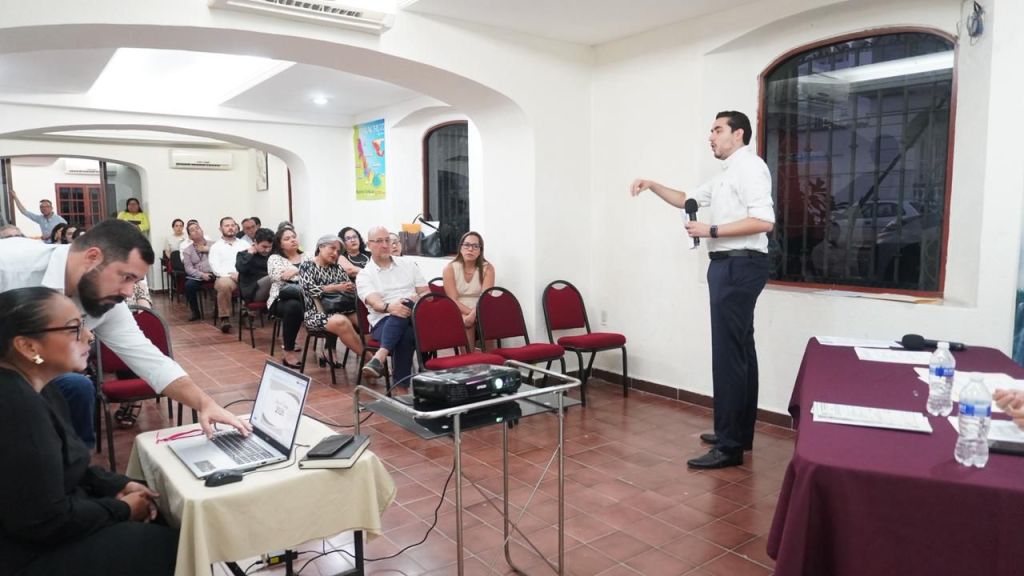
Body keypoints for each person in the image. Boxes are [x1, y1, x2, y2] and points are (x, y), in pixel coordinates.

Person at [0, 219, 250, 441]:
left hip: (35, 379)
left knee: (72, 397)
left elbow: (149, 360)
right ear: (92, 257)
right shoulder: (8, 267)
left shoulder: (107, 300)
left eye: (135, 281)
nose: (129, 292)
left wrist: (205, 403)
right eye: (126, 277)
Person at [630, 110, 774, 470]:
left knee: (728, 356)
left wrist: (710, 231)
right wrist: (652, 185)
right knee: (740, 351)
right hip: (731, 265)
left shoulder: (750, 168)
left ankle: (729, 446)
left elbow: (763, 221)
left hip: (738, 266)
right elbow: (685, 199)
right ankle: (738, 433)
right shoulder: (726, 175)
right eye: (711, 130)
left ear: (738, 134)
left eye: (717, 129)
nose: (711, 136)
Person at [0, 287, 179, 576]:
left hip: (52, 523)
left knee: (161, 508)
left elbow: (70, 467)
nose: (89, 336)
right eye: (74, 329)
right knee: (172, 546)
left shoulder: (43, 387)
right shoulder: (16, 409)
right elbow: (45, 521)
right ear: (29, 347)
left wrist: (115, 484)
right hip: (27, 553)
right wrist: (122, 509)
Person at [356, 226, 428, 386]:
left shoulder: (409, 265)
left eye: (387, 240)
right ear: (369, 245)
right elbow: (375, 303)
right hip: (383, 322)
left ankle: (380, 356)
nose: (385, 245)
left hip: (416, 317)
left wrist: (415, 299)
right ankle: (405, 387)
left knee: (407, 303)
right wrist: (391, 307)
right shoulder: (365, 274)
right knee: (405, 335)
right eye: (379, 241)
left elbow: (426, 293)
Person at [298, 235, 363, 368]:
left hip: (342, 309)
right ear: (321, 247)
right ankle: (370, 361)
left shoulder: (337, 268)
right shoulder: (307, 266)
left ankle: (375, 358)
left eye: (338, 251)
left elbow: (346, 288)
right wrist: (335, 288)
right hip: (316, 313)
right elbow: (309, 289)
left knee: (365, 320)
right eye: (332, 248)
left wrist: (351, 287)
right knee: (341, 321)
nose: (335, 253)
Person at [442, 231, 495, 349]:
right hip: (457, 308)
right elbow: (452, 299)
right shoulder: (449, 268)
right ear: (460, 248)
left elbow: (485, 297)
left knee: (487, 320)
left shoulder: (488, 268)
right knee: (467, 323)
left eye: (475, 246)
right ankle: (468, 358)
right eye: (467, 245)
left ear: (480, 250)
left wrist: (475, 314)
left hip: (481, 307)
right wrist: (471, 315)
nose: (470, 249)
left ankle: (490, 358)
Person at [268, 227, 310, 368]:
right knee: (293, 306)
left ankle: (329, 350)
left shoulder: (307, 256)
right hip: (280, 299)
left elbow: (317, 273)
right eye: (287, 239)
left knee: (330, 303)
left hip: (308, 296)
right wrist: (303, 272)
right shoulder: (275, 258)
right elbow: (278, 276)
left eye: (294, 236)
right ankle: (289, 351)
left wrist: (296, 270)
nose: (292, 240)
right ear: (280, 244)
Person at [208, 217, 249, 333]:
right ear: (220, 229)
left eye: (232, 225)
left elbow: (250, 262)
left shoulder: (244, 244)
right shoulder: (216, 247)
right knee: (224, 285)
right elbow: (215, 267)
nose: (230, 228)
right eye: (227, 226)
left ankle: (246, 314)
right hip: (225, 277)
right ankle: (225, 318)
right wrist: (231, 275)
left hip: (243, 275)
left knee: (256, 281)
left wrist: (240, 274)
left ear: (236, 227)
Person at [181, 221, 214, 321]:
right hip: (199, 276)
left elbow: (221, 259)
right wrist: (201, 275)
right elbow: (188, 268)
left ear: (202, 231)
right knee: (189, 285)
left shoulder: (214, 245)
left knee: (221, 283)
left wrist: (208, 249)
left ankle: (218, 310)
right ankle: (195, 312)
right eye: (192, 230)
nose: (196, 231)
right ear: (190, 236)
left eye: (197, 228)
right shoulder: (187, 250)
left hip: (214, 274)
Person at [235, 227, 274, 303]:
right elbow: (240, 268)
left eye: (270, 247)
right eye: (264, 247)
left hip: (271, 288)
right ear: (255, 242)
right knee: (274, 277)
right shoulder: (243, 254)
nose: (267, 250)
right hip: (252, 292)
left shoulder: (271, 255)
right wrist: (249, 254)